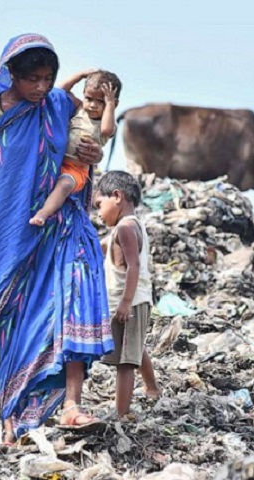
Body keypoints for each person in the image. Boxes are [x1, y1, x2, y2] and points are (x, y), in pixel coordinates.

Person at [0, 34, 114, 446]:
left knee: (55, 313)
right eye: (33, 79)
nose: (42, 88)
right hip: (2, 234)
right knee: (7, 323)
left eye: (49, 78)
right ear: (9, 73)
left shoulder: (60, 107)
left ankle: (69, 406)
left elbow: (86, 146)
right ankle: (11, 416)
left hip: (52, 230)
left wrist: (93, 156)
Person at [93, 171, 160, 418]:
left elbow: (133, 265)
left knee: (125, 363)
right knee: (132, 349)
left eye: (100, 205)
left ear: (117, 196)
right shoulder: (127, 226)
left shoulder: (125, 228)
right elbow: (103, 245)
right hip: (131, 301)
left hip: (129, 302)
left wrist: (125, 303)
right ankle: (152, 388)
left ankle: (121, 414)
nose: (99, 214)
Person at [29, 69, 121, 226]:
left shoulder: (108, 123)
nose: (92, 105)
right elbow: (60, 91)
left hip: (76, 170)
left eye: (100, 102)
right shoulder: (80, 109)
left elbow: (106, 130)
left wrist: (110, 104)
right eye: (89, 98)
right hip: (56, 162)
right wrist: (80, 76)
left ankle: (43, 214)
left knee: (64, 186)